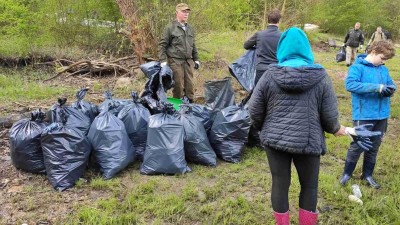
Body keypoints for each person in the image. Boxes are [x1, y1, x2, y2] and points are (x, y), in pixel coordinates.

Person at [248, 27, 379, 225]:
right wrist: (337, 128)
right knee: (309, 187)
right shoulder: (321, 76)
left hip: (274, 142)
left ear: (281, 48)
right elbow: (329, 117)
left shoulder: (269, 75)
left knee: (280, 184)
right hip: (308, 142)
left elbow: (254, 111)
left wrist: (262, 129)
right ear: (307, 49)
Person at [340, 40, 396, 189]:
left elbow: (391, 84)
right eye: (382, 58)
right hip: (364, 114)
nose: (383, 62)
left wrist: (390, 89)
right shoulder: (357, 67)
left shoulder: (383, 69)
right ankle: (347, 173)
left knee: (374, 146)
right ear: (373, 51)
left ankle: (367, 175)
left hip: (382, 115)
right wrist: (376, 88)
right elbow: (350, 85)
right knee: (358, 144)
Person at [159, 3, 199, 103]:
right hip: (175, 62)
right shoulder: (170, 28)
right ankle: (177, 108)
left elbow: (192, 45)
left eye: (187, 12)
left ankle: (190, 106)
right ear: (177, 13)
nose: (186, 14)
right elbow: (162, 45)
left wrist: (196, 59)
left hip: (188, 62)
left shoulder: (190, 28)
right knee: (178, 86)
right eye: (183, 12)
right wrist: (163, 62)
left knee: (190, 86)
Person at [243, 9, 282, 85]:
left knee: (260, 94)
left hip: (261, 69)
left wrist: (257, 46)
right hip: (276, 70)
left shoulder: (259, 34)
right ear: (279, 21)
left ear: (268, 20)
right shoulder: (283, 36)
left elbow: (246, 45)